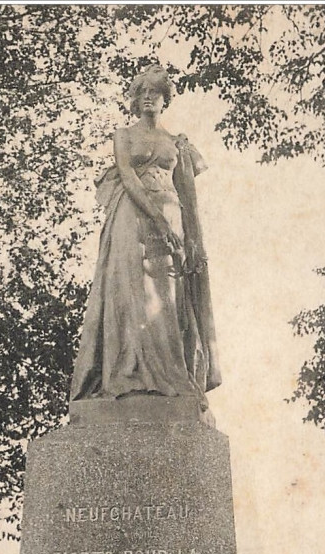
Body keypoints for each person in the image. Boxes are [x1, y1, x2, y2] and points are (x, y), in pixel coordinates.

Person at [70, 65, 222, 407]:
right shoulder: (123, 135)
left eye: (155, 92)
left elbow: (187, 194)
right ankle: (127, 372)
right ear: (135, 102)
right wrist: (157, 220)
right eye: (143, 93)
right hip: (132, 216)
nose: (149, 97)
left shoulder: (176, 142)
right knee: (129, 290)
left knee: (166, 296)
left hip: (171, 215)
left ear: (165, 99)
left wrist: (187, 235)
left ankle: (171, 375)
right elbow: (127, 175)